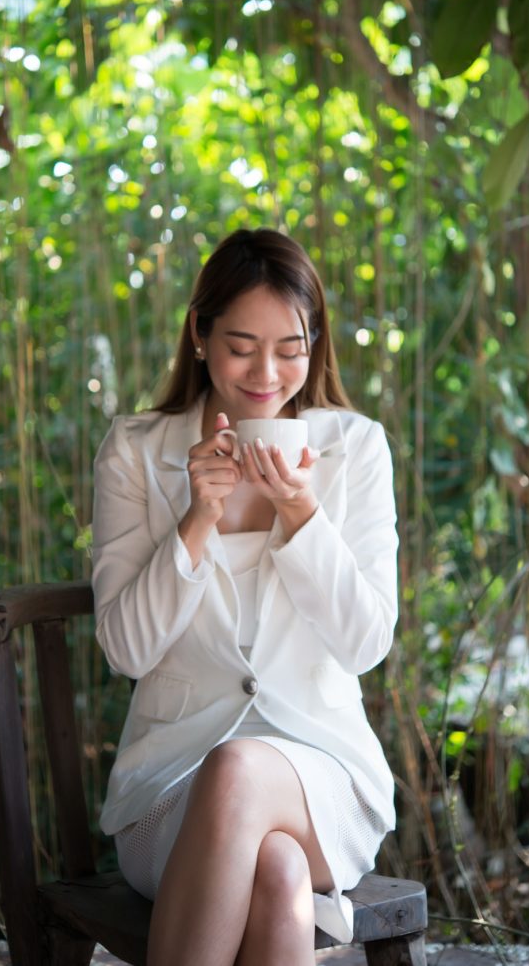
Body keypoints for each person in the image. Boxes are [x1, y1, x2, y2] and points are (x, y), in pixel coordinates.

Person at [91, 228, 399, 966]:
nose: (267, 371)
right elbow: (125, 650)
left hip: (324, 779)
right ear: (198, 334)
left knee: (241, 770)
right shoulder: (137, 451)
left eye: (290, 346)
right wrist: (195, 520)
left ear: (314, 344)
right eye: (240, 344)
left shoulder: (353, 449)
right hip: (169, 784)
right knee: (279, 873)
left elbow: (366, 643)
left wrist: (302, 515)